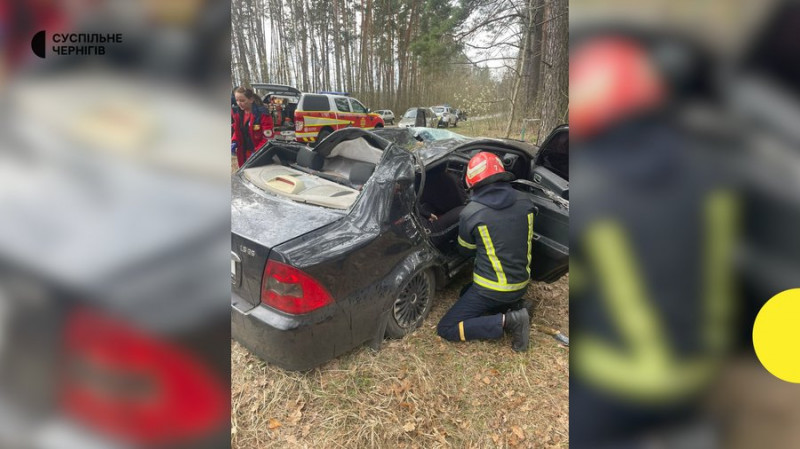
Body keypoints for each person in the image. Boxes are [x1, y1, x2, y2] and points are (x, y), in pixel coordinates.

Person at [436, 152, 536, 352]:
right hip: (521, 282)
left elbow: (466, 251)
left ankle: (510, 321)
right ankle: (518, 305)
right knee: (465, 292)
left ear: (472, 182)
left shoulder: (471, 213)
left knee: (446, 328)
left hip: (492, 289)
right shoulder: (526, 201)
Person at [231, 86, 273, 167]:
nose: (239, 103)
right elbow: (237, 131)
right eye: (237, 100)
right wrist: (234, 141)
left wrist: (257, 153)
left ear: (251, 100)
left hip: (259, 155)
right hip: (243, 153)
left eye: (242, 100)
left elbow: (267, 138)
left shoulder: (262, 114)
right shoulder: (238, 114)